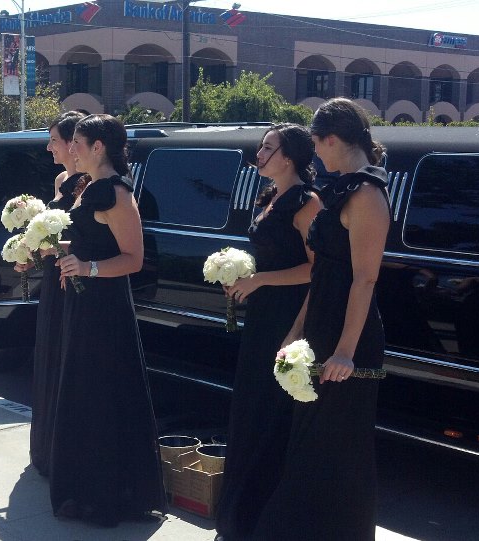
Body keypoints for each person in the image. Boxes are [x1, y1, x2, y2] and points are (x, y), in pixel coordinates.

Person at [254, 98, 390, 540]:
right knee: (307, 444)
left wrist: (346, 352)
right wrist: (295, 333)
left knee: (338, 448)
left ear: (332, 139)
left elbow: (364, 280)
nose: (315, 151)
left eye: (315, 141)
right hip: (318, 328)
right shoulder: (340, 188)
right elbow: (325, 272)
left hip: (348, 337)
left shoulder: (368, 193)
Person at [52, 114, 165, 527]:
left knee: (102, 397)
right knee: (83, 394)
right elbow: (87, 241)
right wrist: (50, 244)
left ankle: (109, 494)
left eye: (78, 141)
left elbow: (132, 259)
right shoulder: (87, 188)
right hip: (82, 305)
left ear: (99, 146)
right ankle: (83, 487)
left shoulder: (116, 193)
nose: (72, 148)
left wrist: (87, 269)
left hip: (106, 310)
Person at [214, 124, 322, 540]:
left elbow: (317, 268)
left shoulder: (306, 201)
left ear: (289, 157)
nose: (258, 154)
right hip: (261, 314)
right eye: (260, 146)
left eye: (267, 148)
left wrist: (260, 280)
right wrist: (242, 275)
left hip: (288, 317)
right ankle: (239, 515)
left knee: (272, 414)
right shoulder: (269, 197)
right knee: (249, 409)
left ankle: (265, 520)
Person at [25, 110, 86, 477]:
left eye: (54, 140)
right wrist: (29, 250)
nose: (49, 147)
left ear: (71, 143)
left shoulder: (93, 184)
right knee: (49, 352)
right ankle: (47, 445)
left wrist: (57, 249)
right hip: (54, 275)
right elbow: (51, 231)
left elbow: (91, 238)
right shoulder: (62, 179)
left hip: (76, 279)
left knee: (70, 355)